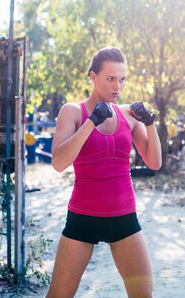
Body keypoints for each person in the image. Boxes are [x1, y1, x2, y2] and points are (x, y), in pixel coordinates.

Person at [46, 47, 162, 298]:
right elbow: (58, 162)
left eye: (122, 79)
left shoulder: (128, 115)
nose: (117, 86)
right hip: (82, 219)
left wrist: (149, 124)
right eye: (111, 79)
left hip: (124, 220)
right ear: (93, 77)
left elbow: (154, 163)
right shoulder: (73, 111)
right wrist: (91, 122)